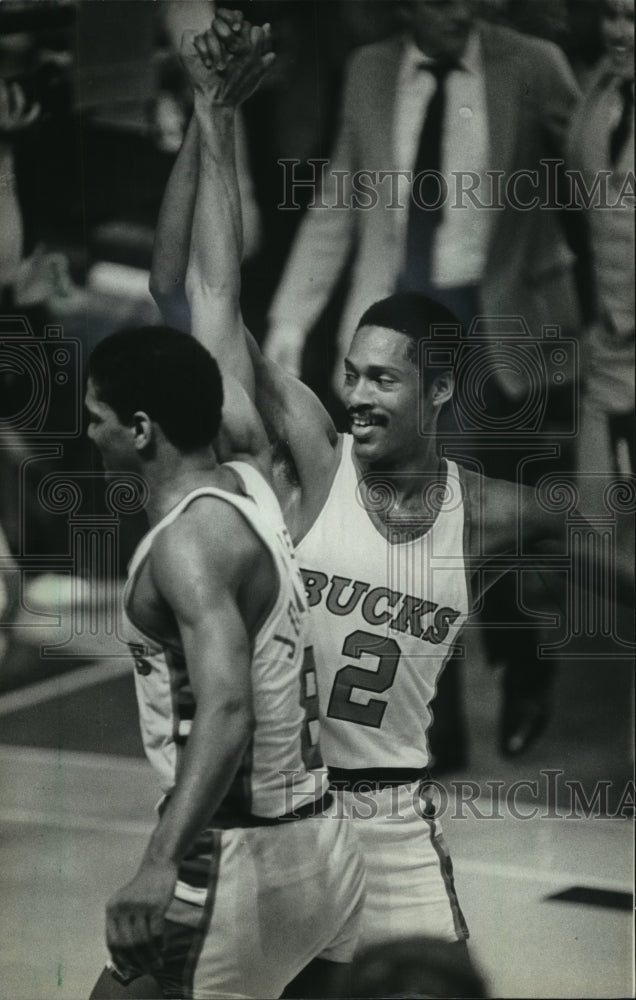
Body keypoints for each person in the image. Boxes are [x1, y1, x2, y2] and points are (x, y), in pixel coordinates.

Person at [155, 11, 632, 963]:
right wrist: (214, 122)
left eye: (383, 380)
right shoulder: (311, 466)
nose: (358, 396)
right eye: (352, 376)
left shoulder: (483, 510)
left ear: (439, 393)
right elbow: (199, 294)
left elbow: (605, 546)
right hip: (285, 817)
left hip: (392, 825)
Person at [260, 0, 588, 764]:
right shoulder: (370, 71)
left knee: (502, 530)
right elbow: (339, 199)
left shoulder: (531, 64)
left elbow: (599, 168)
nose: (459, 12)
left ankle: (524, 664)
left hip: (506, 318)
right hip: (404, 324)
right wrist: (289, 320)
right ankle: (436, 731)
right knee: (415, 526)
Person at [85, 325, 365, 1000]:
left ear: (140, 429)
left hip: (240, 864)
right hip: (325, 849)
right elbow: (214, 299)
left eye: (96, 418)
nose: (88, 433)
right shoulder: (252, 479)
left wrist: (161, 859)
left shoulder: (191, 543)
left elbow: (229, 708)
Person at [567, 0, 634, 512]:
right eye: (612, 15)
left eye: (632, 18)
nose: (618, 31)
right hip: (609, 338)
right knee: (597, 512)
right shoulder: (599, 92)